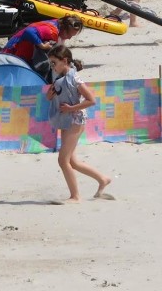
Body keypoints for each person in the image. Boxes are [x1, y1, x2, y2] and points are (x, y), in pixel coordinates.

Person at [45, 44, 112, 203]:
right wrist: (49, 95)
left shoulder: (75, 78)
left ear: (65, 61)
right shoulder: (58, 78)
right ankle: (103, 179)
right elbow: (52, 99)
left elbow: (91, 100)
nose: (52, 66)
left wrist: (71, 108)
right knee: (72, 161)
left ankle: (75, 196)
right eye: (51, 63)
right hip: (67, 119)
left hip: (76, 119)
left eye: (54, 63)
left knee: (63, 160)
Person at [2, 15, 84, 67]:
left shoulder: (58, 24)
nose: (69, 38)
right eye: (69, 35)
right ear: (64, 29)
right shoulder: (52, 31)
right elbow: (28, 31)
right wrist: (42, 45)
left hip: (18, 55)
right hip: (11, 53)